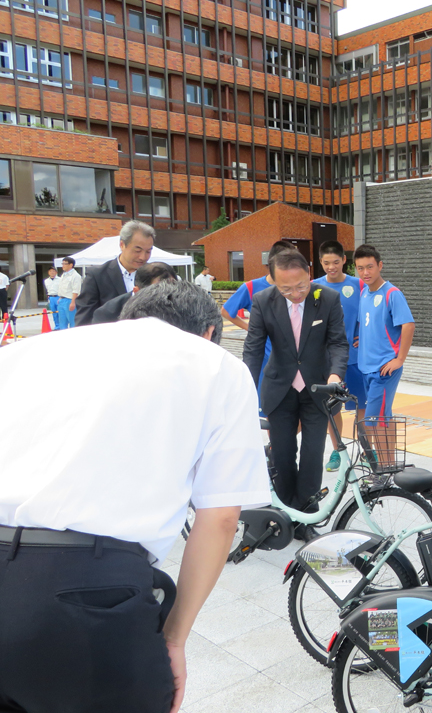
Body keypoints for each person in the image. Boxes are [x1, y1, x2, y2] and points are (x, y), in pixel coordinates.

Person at [0, 280, 271, 713]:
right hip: (86, 592)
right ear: (208, 333)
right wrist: (175, 637)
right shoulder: (216, 366)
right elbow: (220, 518)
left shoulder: (25, 352)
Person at [242, 249, 348, 540]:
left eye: (301, 286)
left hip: (318, 388)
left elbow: (338, 342)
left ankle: (306, 518)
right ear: (273, 281)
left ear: (309, 273)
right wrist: (245, 389)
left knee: (313, 455)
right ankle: (285, 516)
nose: (295, 294)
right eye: (286, 289)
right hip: (279, 388)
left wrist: (335, 374)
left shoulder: (327, 298)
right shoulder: (263, 301)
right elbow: (253, 349)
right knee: (282, 454)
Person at [355, 244, 414, 462]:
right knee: (381, 419)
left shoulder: (392, 293)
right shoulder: (364, 293)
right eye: (360, 268)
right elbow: (370, 323)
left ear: (380, 265)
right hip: (366, 367)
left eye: (370, 267)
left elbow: (408, 325)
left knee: (375, 421)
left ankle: (385, 468)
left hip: (384, 369)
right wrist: (363, 338)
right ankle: (387, 467)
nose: (365, 272)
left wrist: (399, 359)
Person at [312, 240, 364, 472]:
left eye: (335, 262)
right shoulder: (313, 286)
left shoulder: (359, 284)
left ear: (344, 260)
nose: (331, 267)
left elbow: (368, 314)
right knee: (332, 408)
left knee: (361, 406)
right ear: (320, 262)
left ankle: (366, 449)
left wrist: (363, 335)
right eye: (326, 263)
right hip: (329, 361)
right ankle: (337, 450)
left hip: (356, 359)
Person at [222, 240, 296, 391]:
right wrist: (250, 328)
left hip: (294, 357)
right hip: (264, 358)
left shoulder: (298, 288)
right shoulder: (251, 287)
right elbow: (226, 311)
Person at [75, 220, 156, 326]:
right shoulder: (97, 276)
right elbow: (84, 320)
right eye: (137, 251)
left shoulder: (155, 275)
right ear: (122, 245)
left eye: (148, 251)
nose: (143, 257)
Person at [92, 262, 178, 324]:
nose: (167, 297)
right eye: (158, 291)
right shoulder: (108, 314)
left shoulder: (180, 307)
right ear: (137, 291)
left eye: (172, 290)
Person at [56, 256, 82, 329]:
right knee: (62, 321)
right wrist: (60, 298)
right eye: (62, 264)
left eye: (65, 264)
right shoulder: (63, 275)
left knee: (72, 321)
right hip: (62, 300)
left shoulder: (75, 276)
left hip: (70, 300)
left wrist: (73, 302)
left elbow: (76, 290)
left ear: (71, 265)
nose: (63, 265)